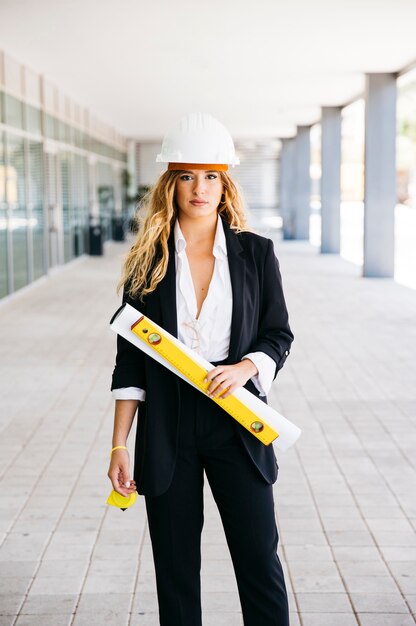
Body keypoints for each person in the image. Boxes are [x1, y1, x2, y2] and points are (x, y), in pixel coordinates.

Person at [108, 112, 294, 626]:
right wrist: (121, 443)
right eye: (188, 175)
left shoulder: (256, 254)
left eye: (211, 175)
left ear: (225, 184)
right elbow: (131, 361)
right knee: (175, 570)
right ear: (172, 183)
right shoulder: (148, 261)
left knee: (259, 561)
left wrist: (245, 368)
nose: (199, 187)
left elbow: (279, 333)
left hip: (237, 419)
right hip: (168, 425)